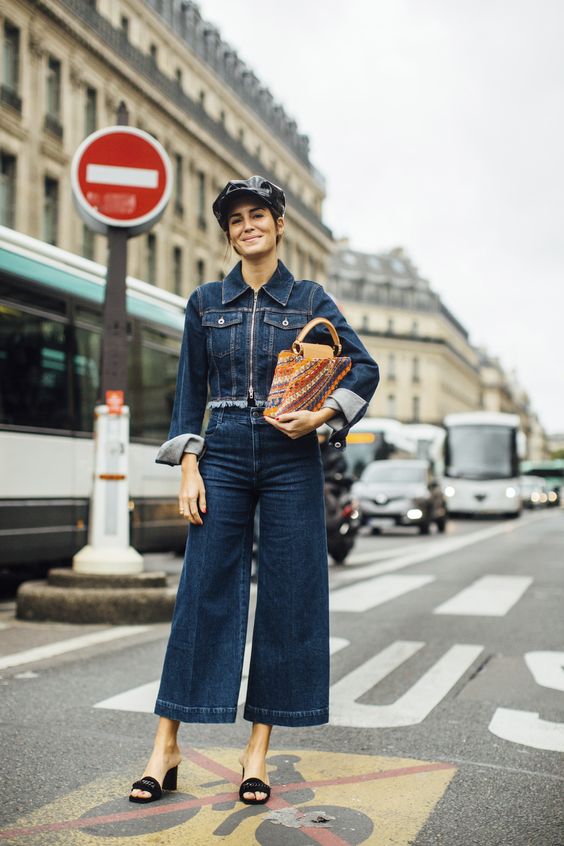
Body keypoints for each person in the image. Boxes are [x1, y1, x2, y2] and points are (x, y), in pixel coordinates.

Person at [129, 175, 380, 806]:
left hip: (292, 456)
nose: (247, 225)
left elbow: (364, 368)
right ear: (229, 232)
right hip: (225, 453)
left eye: (257, 214)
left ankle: (257, 751)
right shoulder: (206, 302)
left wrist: (321, 418)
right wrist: (190, 465)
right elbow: (188, 390)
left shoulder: (311, 298)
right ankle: (166, 745)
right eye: (235, 218)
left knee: (290, 597)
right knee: (202, 589)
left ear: (279, 224)